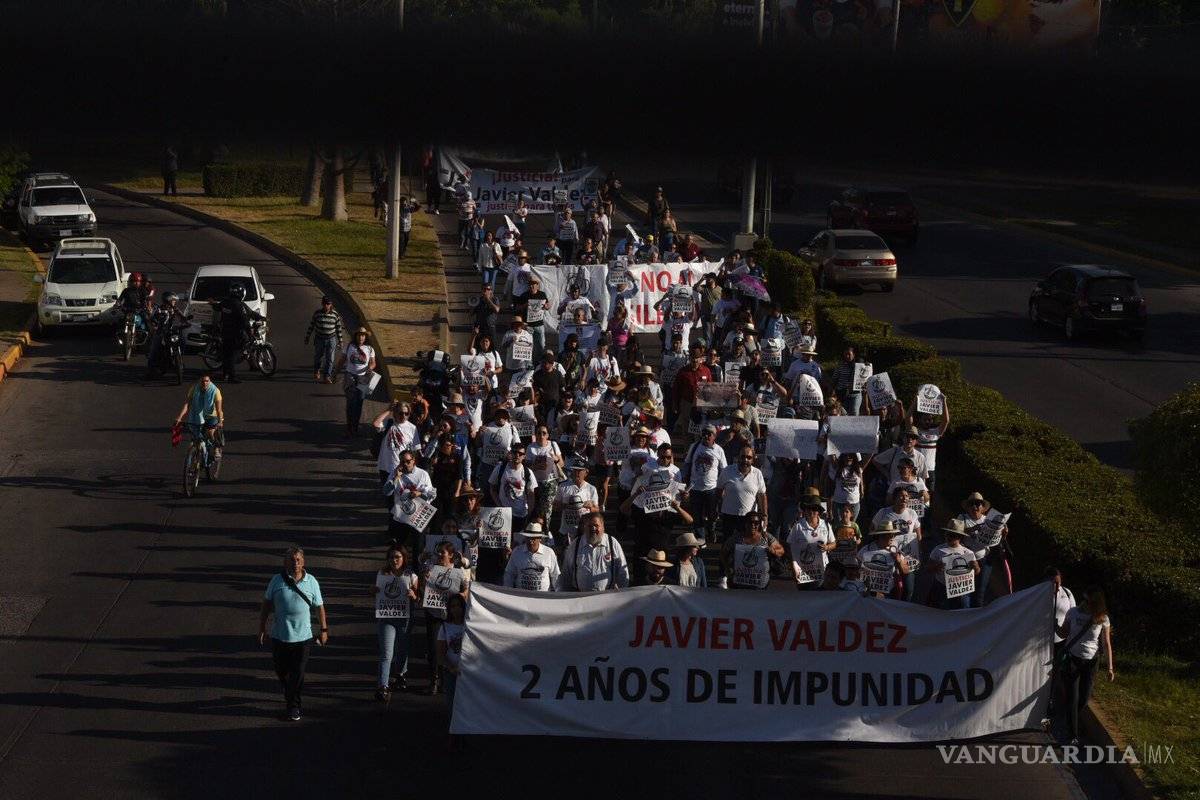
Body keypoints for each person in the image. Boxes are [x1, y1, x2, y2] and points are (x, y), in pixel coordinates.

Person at [258, 547, 327, 721]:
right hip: (280, 636)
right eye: (291, 559)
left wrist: (324, 629)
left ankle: (293, 706)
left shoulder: (312, 582)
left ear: (303, 562)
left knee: (298, 673)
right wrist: (262, 628)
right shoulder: (276, 581)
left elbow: (319, 607)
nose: (295, 563)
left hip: (303, 638)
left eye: (298, 559)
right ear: (285, 562)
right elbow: (266, 605)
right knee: (282, 671)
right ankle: (289, 691)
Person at [1056, 586, 1115, 744]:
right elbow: (1063, 633)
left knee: (1084, 698)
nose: (1084, 603)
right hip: (1072, 659)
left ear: (1096, 604)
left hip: (1091, 661)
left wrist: (1110, 668)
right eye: (1084, 599)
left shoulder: (1102, 618)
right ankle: (1072, 735)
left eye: (1089, 601)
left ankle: (1068, 721)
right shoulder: (1073, 612)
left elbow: (1106, 643)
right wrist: (1055, 625)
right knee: (1072, 698)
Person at [419, 541, 469, 695]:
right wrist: (424, 579)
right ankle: (434, 680)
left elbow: (467, 589)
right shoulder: (431, 569)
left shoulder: (459, 572)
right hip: (434, 614)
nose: (440, 555)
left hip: (452, 617)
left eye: (443, 552)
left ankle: (445, 679)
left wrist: (461, 595)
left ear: (451, 555)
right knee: (434, 649)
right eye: (438, 552)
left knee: (451, 649)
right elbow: (422, 588)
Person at [372, 545, 418, 701]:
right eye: (391, 557)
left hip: (405, 618)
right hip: (387, 618)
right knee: (387, 652)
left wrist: (413, 594)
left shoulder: (410, 575)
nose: (394, 560)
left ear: (404, 558)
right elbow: (378, 594)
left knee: (402, 648)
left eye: (397, 557)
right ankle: (382, 685)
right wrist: (373, 591)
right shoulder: (382, 573)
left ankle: (400, 673)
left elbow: (419, 596)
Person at [958, 491, 1008, 607]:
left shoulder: (989, 521)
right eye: (971, 504)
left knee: (980, 592)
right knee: (964, 593)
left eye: (978, 504)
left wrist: (1004, 534)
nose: (975, 507)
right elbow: (957, 533)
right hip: (967, 560)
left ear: (983, 507)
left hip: (984, 560)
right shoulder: (962, 518)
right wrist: (973, 528)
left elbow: (997, 541)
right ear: (967, 507)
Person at [562, 513, 630, 591]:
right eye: (589, 526)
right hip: (580, 597)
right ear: (584, 527)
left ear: (603, 527)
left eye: (596, 525)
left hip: (606, 596)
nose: (593, 528)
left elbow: (622, 573)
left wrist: (622, 595)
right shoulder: (575, 544)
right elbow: (566, 573)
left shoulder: (612, 543)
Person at [384, 448, 437, 548]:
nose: (405, 464)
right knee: (400, 547)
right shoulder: (395, 473)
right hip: (402, 517)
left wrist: (420, 493)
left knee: (418, 546)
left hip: (418, 515)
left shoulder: (423, 474)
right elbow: (386, 492)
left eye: (408, 461)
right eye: (402, 462)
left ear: (414, 461)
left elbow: (432, 495)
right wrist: (395, 477)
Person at [213, 284, 265, 384]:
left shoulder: (225, 302)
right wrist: (250, 334)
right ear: (241, 293)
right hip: (236, 333)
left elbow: (217, 307)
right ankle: (232, 377)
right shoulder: (239, 305)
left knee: (226, 354)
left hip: (225, 332)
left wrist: (212, 303)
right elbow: (245, 320)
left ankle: (225, 374)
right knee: (233, 355)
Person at [719, 512, 784, 589]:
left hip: (760, 583)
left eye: (756, 523)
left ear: (760, 524)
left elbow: (781, 551)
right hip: (739, 583)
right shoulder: (736, 538)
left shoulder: (766, 537)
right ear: (745, 524)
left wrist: (772, 551)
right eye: (750, 522)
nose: (753, 525)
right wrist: (727, 567)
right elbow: (723, 553)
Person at [786, 488, 835, 589]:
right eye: (808, 508)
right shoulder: (798, 526)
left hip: (822, 571)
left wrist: (827, 547)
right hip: (803, 572)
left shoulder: (826, 525)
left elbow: (834, 543)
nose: (811, 511)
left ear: (819, 511)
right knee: (805, 600)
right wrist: (793, 568)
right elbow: (790, 548)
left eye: (814, 509)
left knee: (821, 598)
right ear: (805, 510)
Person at [717, 446, 767, 541]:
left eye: (749, 457)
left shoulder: (758, 473)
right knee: (728, 544)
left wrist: (764, 516)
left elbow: (761, 495)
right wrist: (718, 507)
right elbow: (719, 490)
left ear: (753, 460)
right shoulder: (727, 471)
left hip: (749, 519)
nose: (745, 460)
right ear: (738, 457)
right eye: (743, 456)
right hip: (729, 516)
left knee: (747, 545)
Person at [174, 372, 224, 467]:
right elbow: (187, 404)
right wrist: (179, 417)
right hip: (197, 415)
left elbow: (219, 410)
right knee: (196, 437)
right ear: (199, 381)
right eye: (203, 381)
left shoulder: (216, 391)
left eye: (207, 381)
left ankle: (216, 447)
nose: (205, 383)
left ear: (210, 381)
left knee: (210, 433)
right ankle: (196, 455)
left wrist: (220, 421)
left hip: (211, 416)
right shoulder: (194, 389)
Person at [334, 327, 377, 437]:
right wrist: (335, 373)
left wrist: (370, 368)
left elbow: (373, 363)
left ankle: (355, 427)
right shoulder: (349, 347)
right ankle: (349, 427)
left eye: (363, 335)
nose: (361, 337)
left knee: (359, 403)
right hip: (350, 376)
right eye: (359, 335)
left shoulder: (370, 349)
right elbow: (342, 360)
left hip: (363, 378)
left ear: (365, 337)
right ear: (356, 336)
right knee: (350, 403)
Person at [928, 520, 980, 609]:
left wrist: (975, 567)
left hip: (962, 590)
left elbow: (976, 572)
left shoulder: (968, 552)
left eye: (952, 535)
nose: (948, 537)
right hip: (942, 587)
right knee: (940, 612)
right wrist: (937, 567)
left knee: (963, 613)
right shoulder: (938, 550)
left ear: (959, 537)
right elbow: (928, 569)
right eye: (947, 533)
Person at [489, 443, 538, 534]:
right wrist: (499, 505)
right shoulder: (500, 468)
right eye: (515, 452)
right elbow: (492, 488)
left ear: (524, 456)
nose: (517, 455)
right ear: (511, 453)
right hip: (503, 513)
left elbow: (531, 494)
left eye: (520, 454)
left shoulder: (528, 472)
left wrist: (529, 514)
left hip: (521, 514)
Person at [373, 401, 419, 490]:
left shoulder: (412, 428)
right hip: (385, 466)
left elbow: (415, 450)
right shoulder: (389, 423)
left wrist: (412, 468)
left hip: (401, 468)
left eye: (407, 413)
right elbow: (376, 423)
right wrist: (388, 410)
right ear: (395, 413)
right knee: (388, 493)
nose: (404, 416)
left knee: (400, 495)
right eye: (401, 413)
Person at [145, 290, 189, 379]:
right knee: (154, 350)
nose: (174, 302)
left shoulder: (174, 309)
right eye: (173, 300)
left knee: (182, 340)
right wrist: (154, 326)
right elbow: (151, 319)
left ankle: (179, 358)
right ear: (168, 300)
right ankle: (150, 371)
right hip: (160, 332)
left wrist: (186, 322)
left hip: (171, 331)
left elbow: (181, 317)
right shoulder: (159, 309)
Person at [503, 524, 561, 590]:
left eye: (533, 538)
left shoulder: (549, 552)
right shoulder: (517, 551)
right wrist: (508, 591)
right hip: (521, 596)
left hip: (543, 597)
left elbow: (555, 575)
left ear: (540, 539)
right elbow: (510, 573)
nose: (530, 541)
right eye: (528, 538)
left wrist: (558, 593)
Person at [437, 593, 468, 716]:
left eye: (459, 606)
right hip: (451, 673)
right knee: (452, 706)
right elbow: (440, 655)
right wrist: (451, 668)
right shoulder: (444, 627)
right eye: (453, 606)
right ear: (449, 609)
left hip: (468, 672)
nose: (456, 609)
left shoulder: (471, 626)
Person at [304, 296, 344, 384]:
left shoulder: (335, 315)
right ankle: (317, 370)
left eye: (328, 304)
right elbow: (312, 326)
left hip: (331, 339)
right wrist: (307, 337)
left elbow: (338, 328)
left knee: (330, 359)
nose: (326, 306)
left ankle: (327, 376)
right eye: (325, 304)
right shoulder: (317, 313)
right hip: (319, 339)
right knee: (318, 356)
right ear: (322, 304)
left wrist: (340, 341)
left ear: (331, 305)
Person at [117, 272, 151, 343]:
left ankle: (150, 340)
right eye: (132, 281)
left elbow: (147, 299)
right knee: (119, 322)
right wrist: (117, 304)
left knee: (147, 320)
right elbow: (120, 299)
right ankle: (120, 337)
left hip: (139, 310)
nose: (134, 283)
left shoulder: (142, 291)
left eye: (136, 281)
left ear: (139, 282)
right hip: (128, 311)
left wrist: (148, 307)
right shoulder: (126, 291)